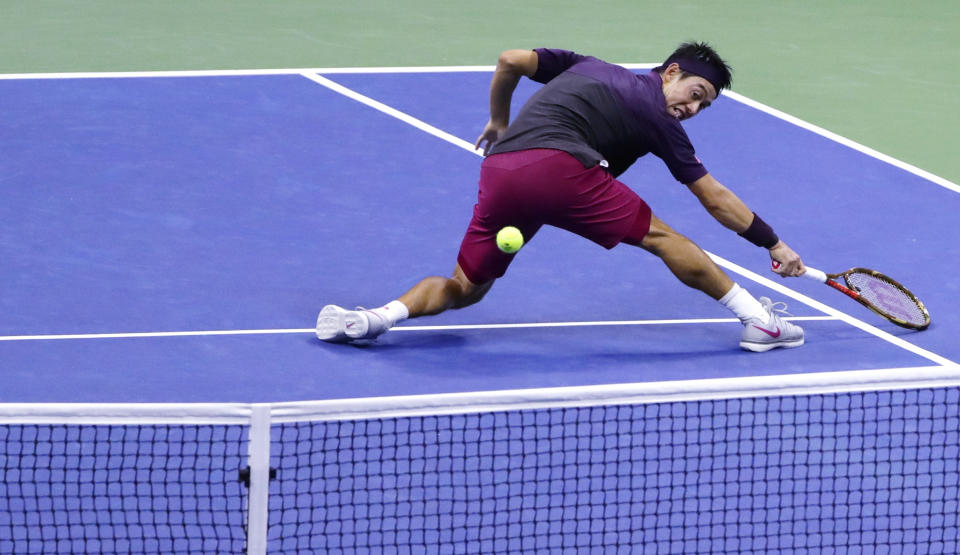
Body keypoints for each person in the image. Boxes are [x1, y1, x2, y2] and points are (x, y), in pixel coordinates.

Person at [317, 43, 806, 352]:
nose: (692, 107)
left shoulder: (587, 65)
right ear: (671, 71)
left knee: (465, 287)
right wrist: (773, 244)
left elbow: (510, 59)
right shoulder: (657, 115)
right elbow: (714, 198)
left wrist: (499, 121)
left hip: (501, 171)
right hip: (562, 170)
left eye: (704, 105)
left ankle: (374, 318)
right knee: (663, 238)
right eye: (694, 92)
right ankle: (758, 321)